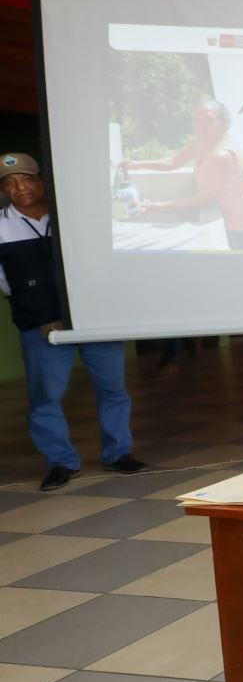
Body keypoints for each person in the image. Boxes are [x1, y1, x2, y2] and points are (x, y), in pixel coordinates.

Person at [0, 153, 147, 490]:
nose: (19, 187)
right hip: (41, 326)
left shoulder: (73, 216)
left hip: (95, 320)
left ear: (41, 180)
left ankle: (118, 454)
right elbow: (5, 281)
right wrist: (34, 305)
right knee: (45, 396)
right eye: (9, 182)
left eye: (26, 178)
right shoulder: (1, 227)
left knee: (112, 389)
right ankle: (61, 462)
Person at [121, 99, 243, 249]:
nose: (200, 125)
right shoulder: (198, 141)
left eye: (208, 120)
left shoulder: (222, 156)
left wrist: (157, 206)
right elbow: (173, 162)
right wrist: (137, 165)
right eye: (197, 119)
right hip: (229, 215)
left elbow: (204, 198)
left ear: (224, 124)